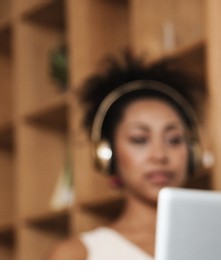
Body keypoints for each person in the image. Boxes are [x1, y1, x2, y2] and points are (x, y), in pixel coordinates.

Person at [47, 53, 205, 259]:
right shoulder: (74, 256)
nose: (160, 156)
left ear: (193, 152)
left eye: (174, 139)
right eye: (139, 139)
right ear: (107, 154)